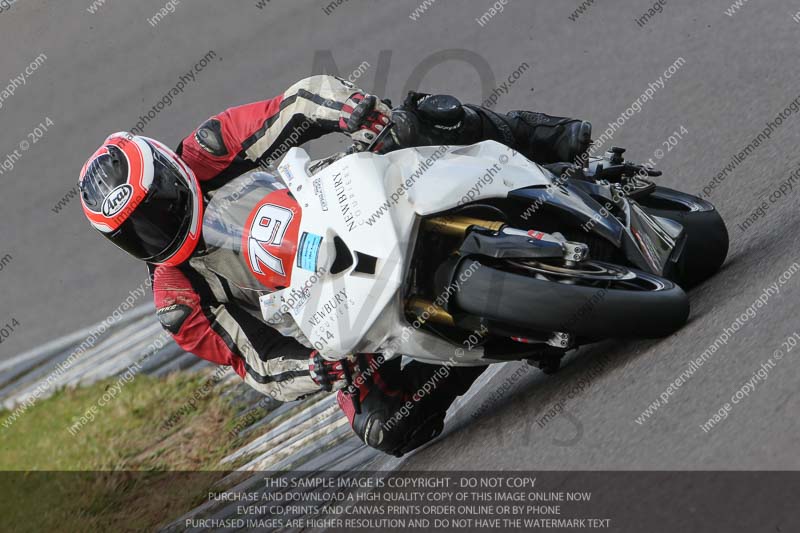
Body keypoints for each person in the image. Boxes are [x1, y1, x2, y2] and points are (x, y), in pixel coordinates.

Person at [78, 75, 592, 456]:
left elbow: (297, 104)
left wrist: (351, 111)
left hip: (342, 203)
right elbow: (257, 363)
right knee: (386, 426)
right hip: (330, 306)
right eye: (138, 231)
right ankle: (486, 343)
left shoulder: (208, 149)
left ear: (168, 170)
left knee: (413, 121)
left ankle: (535, 136)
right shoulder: (178, 301)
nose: (158, 227)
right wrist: (313, 369)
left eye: (157, 207)